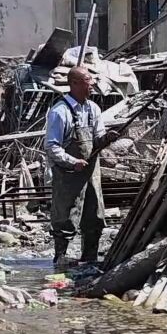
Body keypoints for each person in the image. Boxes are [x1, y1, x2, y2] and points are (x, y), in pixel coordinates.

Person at [43, 66, 114, 270]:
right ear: (74, 83)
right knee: (65, 217)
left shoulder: (93, 109)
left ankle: (89, 258)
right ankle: (61, 258)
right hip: (68, 175)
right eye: (87, 80)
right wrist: (72, 161)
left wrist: (107, 139)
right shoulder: (60, 112)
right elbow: (52, 146)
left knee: (95, 216)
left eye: (91, 80)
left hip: (92, 173)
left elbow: (97, 138)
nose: (91, 84)